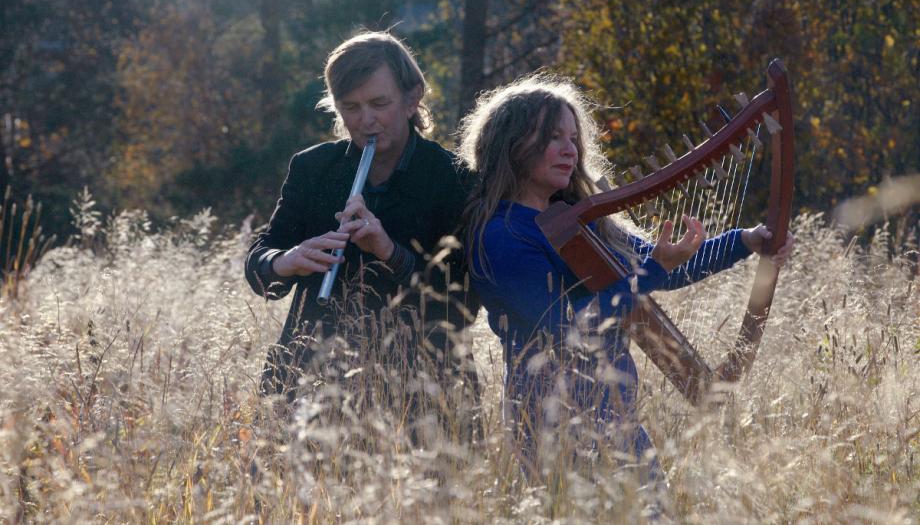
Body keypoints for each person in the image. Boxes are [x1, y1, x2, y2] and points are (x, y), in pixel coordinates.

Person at [458, 74, 794, 488]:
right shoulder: (502, 235)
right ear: (511, 144)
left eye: (573, 137)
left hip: (616, 418)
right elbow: (564, 327)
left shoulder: (572, 220)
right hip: (552, 424)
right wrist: (653, 269)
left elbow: (661, 265)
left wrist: (745, 241)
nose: (569, 149)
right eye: (552, 137)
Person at [245, 32, 479, 423]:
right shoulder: (313, 168)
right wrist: (287, 261)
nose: (365, 119)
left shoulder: (453, 176)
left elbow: (465, 301)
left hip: (423, 391)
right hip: (312, 379)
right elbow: (261, 260)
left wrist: (390, 252)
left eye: (379, 103)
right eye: (350, 107)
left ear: (412, 98)